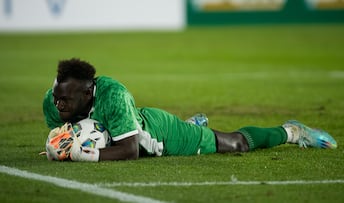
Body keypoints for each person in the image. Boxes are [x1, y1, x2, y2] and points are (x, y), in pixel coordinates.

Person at [42, 58, 337, 162]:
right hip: (136, 122)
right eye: (57, 98)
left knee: (235, 144)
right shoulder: (55, 99)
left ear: (87, 91)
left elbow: (130, 151)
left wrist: (82, 154)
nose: (59, 105)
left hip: (160, 133)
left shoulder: (113, 95)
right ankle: (193, 125)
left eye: (65, 100)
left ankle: (291, 131)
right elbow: (67, 132)